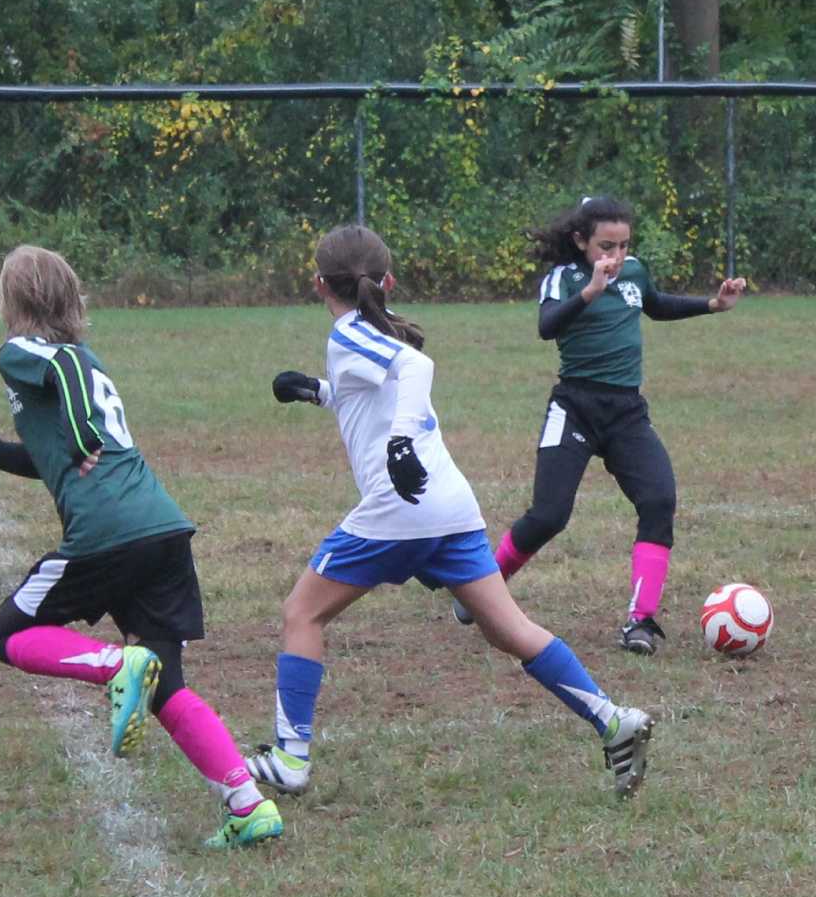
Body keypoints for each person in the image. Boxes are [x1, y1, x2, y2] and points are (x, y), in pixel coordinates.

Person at [248, 225, 655, 799]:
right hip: (449, 505)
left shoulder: (348, 331)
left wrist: (398, 445)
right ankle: (614, 720)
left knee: (301, 615)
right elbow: (374, 386)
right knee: (507, 628)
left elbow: (414, 371)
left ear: (319, 285)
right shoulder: (366, 332)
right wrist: (317, 391)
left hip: (399, 508)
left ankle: (291, 758)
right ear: (386, 282)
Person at [0, 245, 283, 848]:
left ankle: (118, 666)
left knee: (9, 635)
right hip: (162, 528)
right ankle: (248, 805)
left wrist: (85, 433)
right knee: (167, 685)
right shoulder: (85, 362)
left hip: (108, 533)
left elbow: (64, 387)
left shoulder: (29, 353)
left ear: (13, 301)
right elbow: (51, 460)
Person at [465, 195, 746, 655]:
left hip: (625, 413)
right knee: (550, 515)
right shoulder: (566, 278)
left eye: (623, 245)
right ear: (580, 241)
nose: (615, 256)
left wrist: (712, 304)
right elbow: (547, 325)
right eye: (605, 246)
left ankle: (641, 622)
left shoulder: (632, 271)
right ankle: (484, 592)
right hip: (575, 407)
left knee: (658, 500)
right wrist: (590, 291)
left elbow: (654, 305)